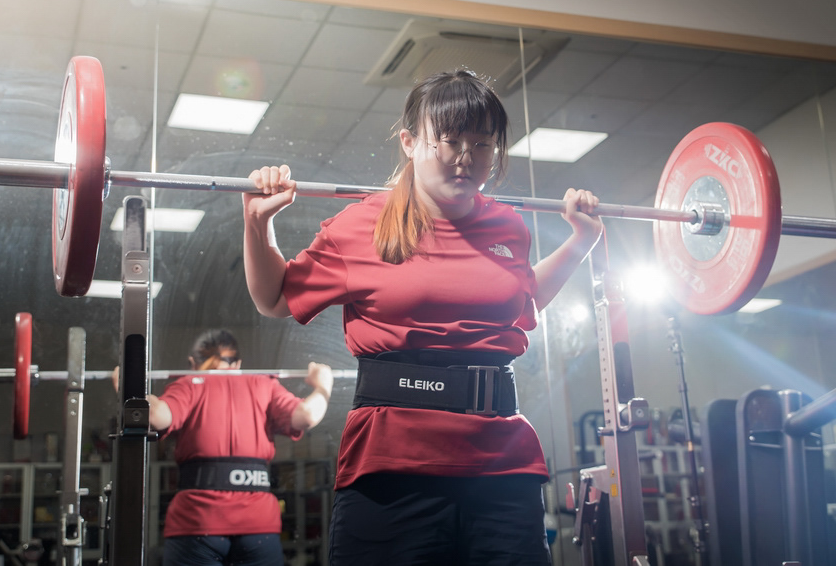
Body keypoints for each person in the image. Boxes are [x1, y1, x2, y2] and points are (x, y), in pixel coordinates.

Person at [242, 70, 603, 565]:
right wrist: (258, 224)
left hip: (500, 463)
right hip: (393, 466)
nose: (466, 157)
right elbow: (275, 299)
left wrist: (582, 241)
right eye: (449, 140)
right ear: (410, 142)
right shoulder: (361, 225)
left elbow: (523, 302)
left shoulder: (507, 226)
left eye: (482, 144)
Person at [137, 328, 334, 566]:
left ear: (192, 363)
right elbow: (307, 415)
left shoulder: (189, 384)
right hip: (257, 525)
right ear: (238, 363)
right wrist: (323, 386)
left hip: (198, 523)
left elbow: (155, 415)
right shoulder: (264, 385)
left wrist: (130, 389)